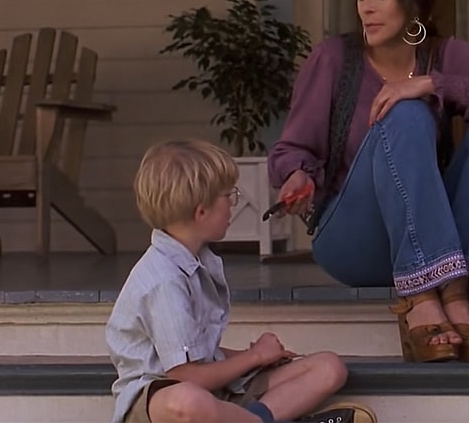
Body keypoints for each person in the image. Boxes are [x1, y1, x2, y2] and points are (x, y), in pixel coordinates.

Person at [268, 0, 469, 363]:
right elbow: (293, 147)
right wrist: (297, 175)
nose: (366, 8)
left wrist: (433, 82)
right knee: (407, 113)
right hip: (355, 240)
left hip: (437, 236)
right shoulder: (334, 58)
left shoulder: (444, 55)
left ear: (414, 1)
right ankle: (427, 298)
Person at [105, 139, 376, 423]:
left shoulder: (198, 262)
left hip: (214, 390)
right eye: (228, 197)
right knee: (187, 401)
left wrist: (256, 357)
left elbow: (200, 353)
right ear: (201, 212)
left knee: (328, 367)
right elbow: (185, 376)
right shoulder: (164, 280)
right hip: (163, 398)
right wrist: (255, 356)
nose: (233, 205)